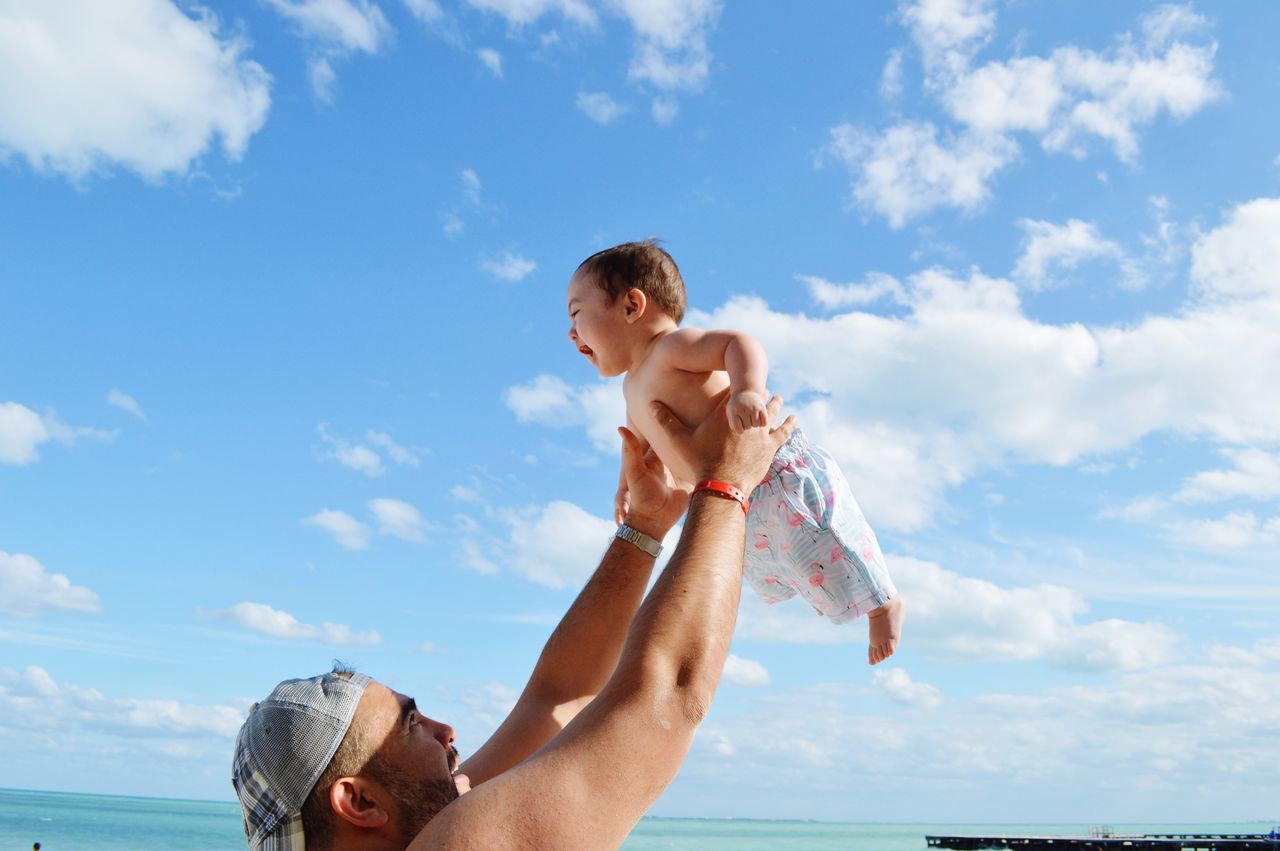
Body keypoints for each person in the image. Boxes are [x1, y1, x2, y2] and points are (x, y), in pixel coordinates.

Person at [233, 392, 796, 850]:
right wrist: (727, 483)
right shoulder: (459, 845)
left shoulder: (427, 823)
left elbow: (556, 697)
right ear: (358, 802)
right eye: (410, 725)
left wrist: (645, 528)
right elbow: (668, 695)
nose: (446, 731)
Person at [567, 240, 906, 665]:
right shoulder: (631, 386)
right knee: (796, 562)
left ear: (632, 305)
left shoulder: (671, 349)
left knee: (826, 537)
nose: (570, 332)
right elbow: (638, 443)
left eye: (577, 314)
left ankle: (883, 602)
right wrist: (625, 485)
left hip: (771, 469)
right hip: (733, 492)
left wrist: (746, 390)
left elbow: (739, 344)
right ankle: (858, 601)